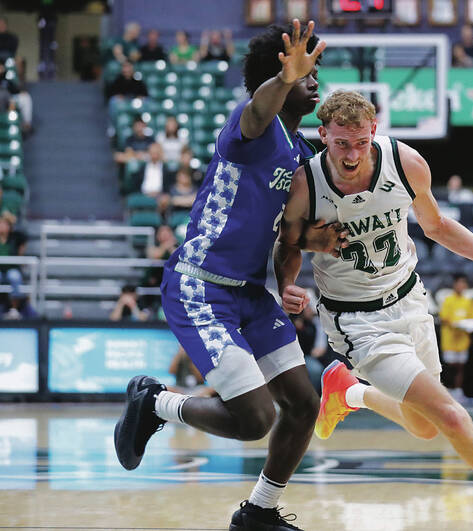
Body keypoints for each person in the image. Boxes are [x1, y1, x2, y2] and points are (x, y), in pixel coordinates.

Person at [274, 89, 473, 530]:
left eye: (361, 142)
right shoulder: (306, 184)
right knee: (450, 416)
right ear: (323, 134)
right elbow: (288, 245)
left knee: (424, 427)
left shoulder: (406, 164)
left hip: (409, 298)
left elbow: (437, 226)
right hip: (358, 322)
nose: (351, 154)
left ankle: (348, 392)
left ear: (375, 132)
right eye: (341, 143)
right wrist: (287, 284)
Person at [113, 20, 342, 531]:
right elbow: (262, 108)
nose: (314, 79)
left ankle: (259, 512)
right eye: (305, 72)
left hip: (253, 294)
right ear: (277, 74)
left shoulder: (301, 151)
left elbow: (285, 232)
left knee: (304, 405)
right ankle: (157, 403)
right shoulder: (249, 124)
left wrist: (304, 255)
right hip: (201, 283)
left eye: (314, 71)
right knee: (256, 419)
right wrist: (285, 77)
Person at [439, 274, 473, 402]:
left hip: (462, 340)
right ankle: (448, 390)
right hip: (450, 339)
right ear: (455, 285)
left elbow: (471, 318)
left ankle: (458, 391)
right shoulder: (448, 300)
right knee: (449, 367)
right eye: (459, 283)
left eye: (463, 284)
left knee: (460, 367)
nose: (461, 286)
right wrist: (455, 324)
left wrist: (467, 325)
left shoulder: (467, 301)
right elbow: (444, 318)